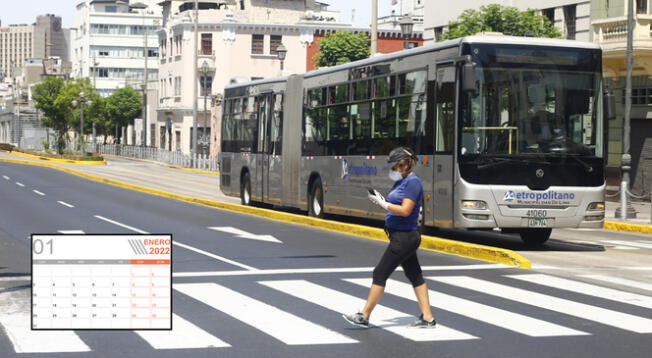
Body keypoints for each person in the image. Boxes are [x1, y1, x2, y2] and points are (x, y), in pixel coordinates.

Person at [343, 147, 436, 329]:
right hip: (402, 236)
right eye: (394, 165)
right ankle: (428, 318)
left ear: (408, 164)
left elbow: (406, 210)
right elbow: (396, 203)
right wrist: (382, 199)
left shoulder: (413, 183)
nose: (395, 168)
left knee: (380, 273)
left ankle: (364, 315)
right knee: (415, 275)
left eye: (399, 164)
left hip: (404, 237)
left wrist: (384, 204)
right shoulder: (401, 182)